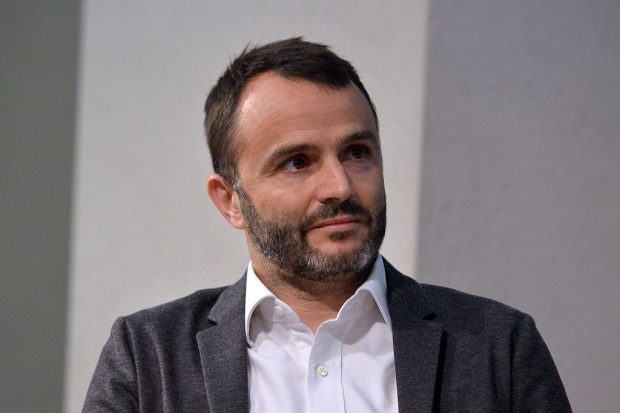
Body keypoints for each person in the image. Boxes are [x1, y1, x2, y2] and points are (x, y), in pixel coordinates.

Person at [83, 37, 571, 412]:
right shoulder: (148, 356)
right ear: (230, 201)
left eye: (357, 152)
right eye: (297, 162)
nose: (339, 185)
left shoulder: (499, 348)